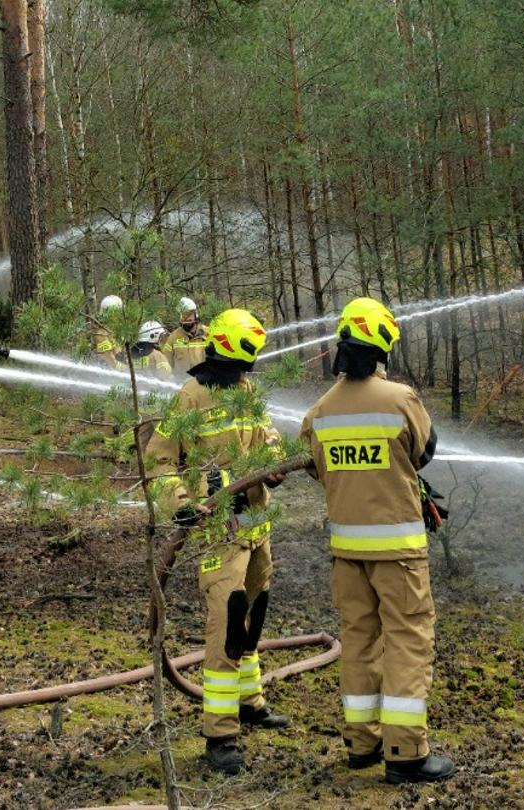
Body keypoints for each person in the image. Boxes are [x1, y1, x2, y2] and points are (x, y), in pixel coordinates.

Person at [298, 297, 455, 783]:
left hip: (347, 555)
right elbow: (424, 451)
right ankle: (406, 752)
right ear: (384, 343)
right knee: (407, 640)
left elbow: (315, 469)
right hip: (399, 555)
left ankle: (361, 744)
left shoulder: (320, 411)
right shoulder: (400, 399)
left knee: (359, 642)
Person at [143, 308, 292, 775]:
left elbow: (267, 439)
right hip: (218, 531)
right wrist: (180, 501)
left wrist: (278, 462)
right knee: (226, 625)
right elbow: (158, 462)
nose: (248, 368)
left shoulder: (246, 389)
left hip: (256, 524)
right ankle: (220, 734)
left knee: (254, 611)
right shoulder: (191, 396)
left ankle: (250, 701)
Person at [163, 297, 209, 375]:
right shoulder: (173, 337)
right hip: (181, 384)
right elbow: (165, 362)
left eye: (188, 315)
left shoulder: (208, 333)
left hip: (202, 383)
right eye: (183, 315)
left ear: (195, 315)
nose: (186, 318)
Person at [90, 295, 125, 367]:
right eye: (119, 312)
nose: (122, 316)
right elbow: (109, 360)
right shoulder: (101, 335)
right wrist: (127, 370)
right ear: (112, 314)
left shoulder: (113, 333)